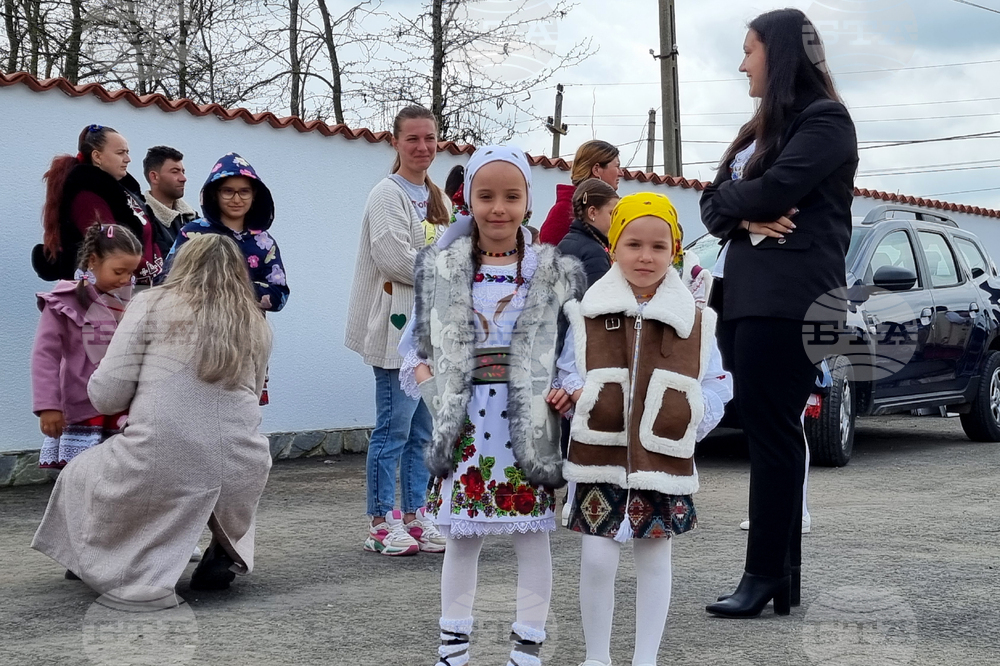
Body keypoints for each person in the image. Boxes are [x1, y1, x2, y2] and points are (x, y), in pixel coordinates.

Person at [700, 8, 857, 618]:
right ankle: (778, 575)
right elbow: (713, 202)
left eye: (749, 50)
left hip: (793, 303)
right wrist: (741, 216)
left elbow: (772, 191)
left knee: (773, 437)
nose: (741, 62)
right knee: (771, 434)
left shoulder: (826, 122)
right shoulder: (756, 129)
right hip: (746, 301)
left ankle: (764, 574)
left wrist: (744, 204)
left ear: (781, 54)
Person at [401, 145, 584, 666]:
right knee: (461, 539)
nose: (498, 208)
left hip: (528, 421)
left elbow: (575, 341)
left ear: (529, 199)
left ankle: (527, 648)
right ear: (468, 200)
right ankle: (452, 648)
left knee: (533, 541)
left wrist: (567, 385)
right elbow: (417, 339)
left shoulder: (551, 270)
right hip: (466, 423)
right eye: (486, 196)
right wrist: (426, 376)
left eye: (511, 196)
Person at [32, 233, 274, 606]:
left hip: (163, 455)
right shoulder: (256, 321)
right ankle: (226, 549)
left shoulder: (151, 303)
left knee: (80, 473)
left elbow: (108, 393)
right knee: (223, 467)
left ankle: (103, 559)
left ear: (183, 264)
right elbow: (255, 392)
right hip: (243, 462)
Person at [555, 192, 732, 666]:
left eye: (659, 246)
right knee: (596, 559)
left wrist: (693, 418)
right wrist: (574, 396)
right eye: (634, 244)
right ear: (614, 247)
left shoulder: (695, 321)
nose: (646, 256)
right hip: (600, 458)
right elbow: (569, 370)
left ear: (675, 250)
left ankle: (645, 658)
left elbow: (716, 382)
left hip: (661, 463)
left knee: (655, 559)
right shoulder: (588, 314)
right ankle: (597, 657)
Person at [345, 105, 451, 556]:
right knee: (394, 429)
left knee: (423, 431)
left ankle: (415, 513)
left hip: (430, 333)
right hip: (395, 330)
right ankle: (380, 521)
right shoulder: (386, 195)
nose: (423, 147)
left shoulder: (435, 196)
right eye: (413, 139)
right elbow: (393, 258)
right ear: (396, 142)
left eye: (430, 138)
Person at [32, 223, 142, 471]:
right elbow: (44, 356)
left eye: (131, 273)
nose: (125, 280)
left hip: (120, 407)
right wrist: (48, 406)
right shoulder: (62, 303)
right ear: (93, 261)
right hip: (81, 409)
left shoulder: (129, 304)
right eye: (118, 271)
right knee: (81, 478)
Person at [33, 125, 164, 285]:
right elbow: (111, 247)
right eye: (120, 153)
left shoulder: (123, 190)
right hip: (109, 293)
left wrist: (161, 269)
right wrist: (154, 276)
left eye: (127, 152)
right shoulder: (87, 195)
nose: (128, 159)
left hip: (139, 287)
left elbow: (150, 238)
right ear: (97, 156)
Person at [166, 152, 289, 313]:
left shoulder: (264, 243)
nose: (236, 200)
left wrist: (234, 287)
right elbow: (165, 279)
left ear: (254, 195)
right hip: (195, 329)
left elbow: (280, 295)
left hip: (246, 333)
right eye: (228, 191)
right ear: (214, 194)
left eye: (244, 192)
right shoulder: (192, 233)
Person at [538, 140, 621, 246]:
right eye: (617, 167)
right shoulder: (564, 211)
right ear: (596, 170)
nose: (621, 173)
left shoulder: (599, 206)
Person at [557, 178, 618, 288]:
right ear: (592, 212)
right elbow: (601, 299)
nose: (615, 221)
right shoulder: (595, 252)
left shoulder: (565, 241)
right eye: (611, 214)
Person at [143, 145, 198, 248]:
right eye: (175, 172)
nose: (183, 178)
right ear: (154, 177)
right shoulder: (142, 221)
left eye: (183, 172)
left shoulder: (193, 219)